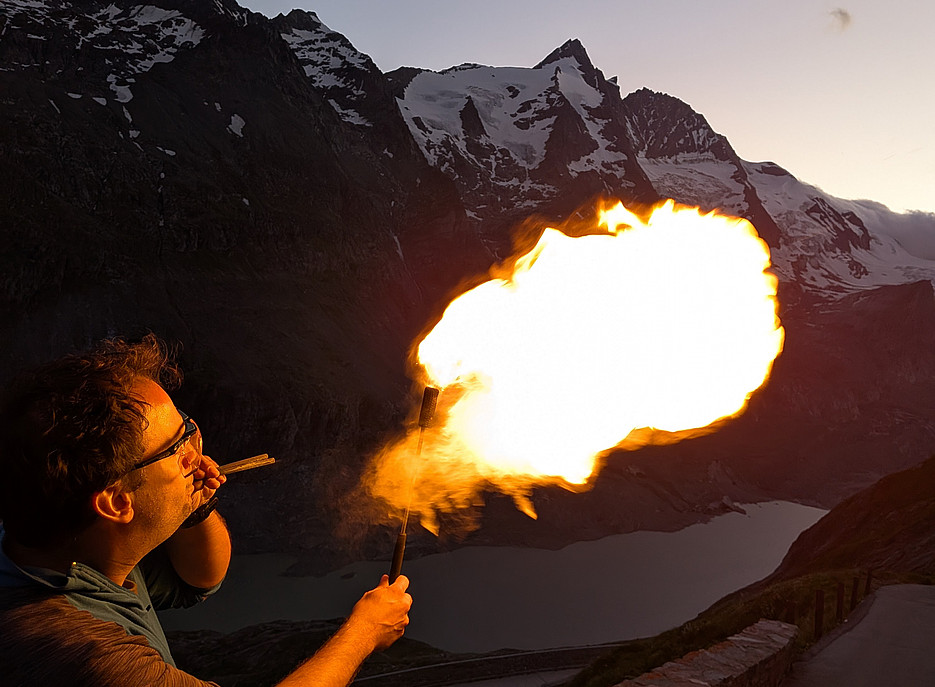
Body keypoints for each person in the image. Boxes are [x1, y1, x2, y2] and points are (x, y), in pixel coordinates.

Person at [0, 334, 412, 686]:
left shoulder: (73, 549)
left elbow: (197, 580)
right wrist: (365, 631)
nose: (198, 453)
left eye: (187, 428)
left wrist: (192, 504)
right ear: (117, 501)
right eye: (177, 447)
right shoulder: (77, 650)